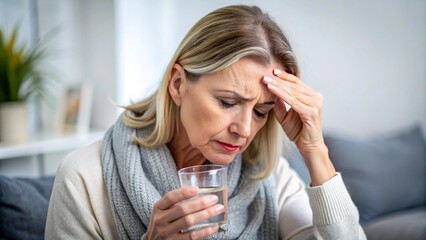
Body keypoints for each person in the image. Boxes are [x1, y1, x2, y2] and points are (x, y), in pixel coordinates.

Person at [45, 5, 367, 240]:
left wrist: (315, 151)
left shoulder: (271, 180)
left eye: (260, 111)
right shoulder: (84, 179)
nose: (243, 129)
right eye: (228, 102)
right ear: (177, 84)